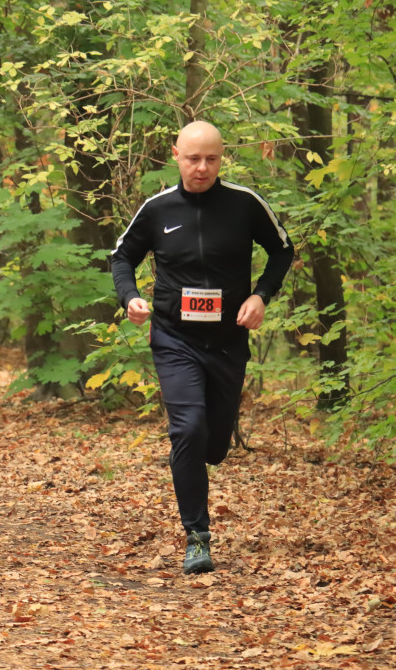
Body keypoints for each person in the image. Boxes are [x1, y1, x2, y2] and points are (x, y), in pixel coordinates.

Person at [110, 121, 294, 574]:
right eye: (193, 158)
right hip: (175, 338)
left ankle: (204, 457)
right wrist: (130, 296)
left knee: (212, 446)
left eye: (211, 159)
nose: (202, 167)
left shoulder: (244, 204)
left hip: (228, 341)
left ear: (222, 156)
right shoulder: (157, 209)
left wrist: (261, 296)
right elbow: (121, 257)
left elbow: (282, 251)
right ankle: (197, 536)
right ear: (176, 155)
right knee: (187, 430)